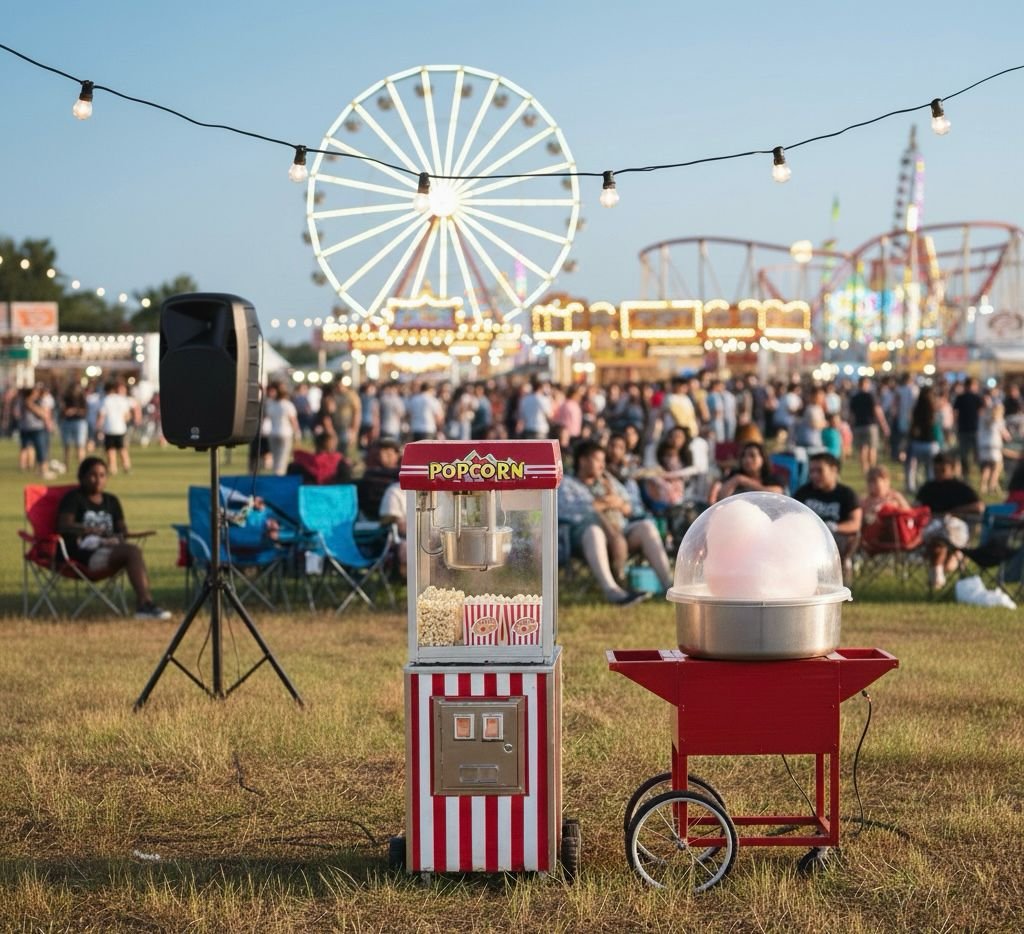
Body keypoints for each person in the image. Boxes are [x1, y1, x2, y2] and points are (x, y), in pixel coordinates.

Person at [558, 439, 673, 605]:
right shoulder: (567, 484)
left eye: (603, 461)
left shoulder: (609, 480)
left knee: (646, 527)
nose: (601, 465)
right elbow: (573, 512)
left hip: (620, 532)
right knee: (594, 531)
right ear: (582, 460)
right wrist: (607, 503)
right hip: (583, 540)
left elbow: (630, 507)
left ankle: (668, 586)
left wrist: (618, 504)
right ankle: (612, 590)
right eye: (597, 460)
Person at [56, 456, 170, 619]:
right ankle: (144, 604)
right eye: (93, 475)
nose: (98, 480)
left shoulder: (112, 501)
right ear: (82, 477)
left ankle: (145, 603)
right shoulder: (74, 498)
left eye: (102, 475)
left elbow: (122, 529)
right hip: (83, 555)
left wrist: (121, 534)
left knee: (132, 551)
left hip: (111, 550)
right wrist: (88, 529)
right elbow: (64, 526)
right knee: (132, 552)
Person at [916, 452, 985, 590]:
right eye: (936, 470)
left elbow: (979, 507)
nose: (939, 474)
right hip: (932, 525)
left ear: (951, 469)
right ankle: (941, 572)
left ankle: (942, 569)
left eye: (942, 470)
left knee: (945, 533)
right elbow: (915, 506)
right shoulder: (928, 488)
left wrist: (955, 512)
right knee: (937, 541)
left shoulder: (961, 488)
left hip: (955, 526)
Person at [793, 452, 863, 587]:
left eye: (819, 471)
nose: (814, 475)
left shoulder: (847, 494)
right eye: (812, 471)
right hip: (806, 539)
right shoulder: (803, 492)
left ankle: (841, 578)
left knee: (851, 537)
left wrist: (834, 528)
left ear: (834, 470)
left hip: (836, 539)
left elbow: (855, 524)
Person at [708, 442, 784, 504]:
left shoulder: (773, 478)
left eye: (752, 455)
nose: (747, 459)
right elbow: (721, 498)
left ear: (763, 458)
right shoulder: (734, 476)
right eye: (744, 456)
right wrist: (736, 480)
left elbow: (776, 494)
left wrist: (744, 480)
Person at [96, 380, 142, 475]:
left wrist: (98, 427)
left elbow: (102, 415)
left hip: (109, 428)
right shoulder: (122, 400)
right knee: (122, 449)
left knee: (110, 450)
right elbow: (127, 414)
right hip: (120, 428)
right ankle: (126, 466)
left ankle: (113, 468)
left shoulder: (106, 400)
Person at [848, 376, 890, 475]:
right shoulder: (871, 396)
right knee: (872, 448)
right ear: (867, 384)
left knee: (862, 449)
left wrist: (850, 426)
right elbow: (877, 411)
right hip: (870, 425)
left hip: (858, 425)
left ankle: (865, 471)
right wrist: (884, 425)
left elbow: (851, 415)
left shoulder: (854, 398)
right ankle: (872, 470)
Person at [953, 377, 985, 479]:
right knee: (978, 454)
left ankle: (966, 474)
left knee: (964, 454)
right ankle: (982, 474)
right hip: (975, 429)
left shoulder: (960, 397)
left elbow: (955, 413)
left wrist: (955, 425)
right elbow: (981, 413)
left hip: (963, 429)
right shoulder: (977, 398)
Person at [265, 381, 300, 476]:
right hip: (285, 434)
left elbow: (267, 417)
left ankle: (276, 474)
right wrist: (297, 433)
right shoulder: (287, 405)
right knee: (282, 459)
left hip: (273, 433)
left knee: (276, 458)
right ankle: (279, 476)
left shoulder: (271, 404)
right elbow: (293, 421)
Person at [60, 383, 89, 468]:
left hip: (79, 422)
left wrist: (75, 411)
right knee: (67, 445)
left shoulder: (82, 399)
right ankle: (66, 465)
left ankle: (82, 466)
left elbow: (85, 411)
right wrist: (66, 412)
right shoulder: (66, 398)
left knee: (80, 445)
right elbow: (62, 411)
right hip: (67, 422)